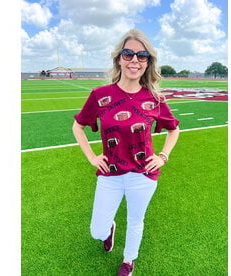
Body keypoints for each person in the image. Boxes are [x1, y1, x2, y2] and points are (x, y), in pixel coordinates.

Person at [72, 29, 180, 276]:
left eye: (142, 56)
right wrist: (92, 157)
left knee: (135, 221)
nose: (135, 60)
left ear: (148, 62)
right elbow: (78, 126)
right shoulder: (101, 95)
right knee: (96, 230)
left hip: (143, 175)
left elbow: (174, 130)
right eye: (128, 53)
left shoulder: (154, 98)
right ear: (119, 58)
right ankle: (107, 230)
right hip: (109, 173)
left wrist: (162, 156)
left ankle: (128, 261)